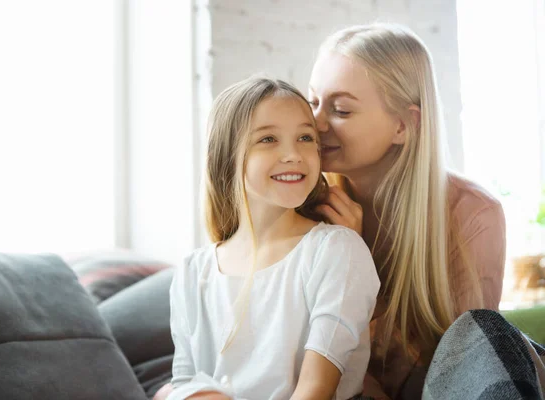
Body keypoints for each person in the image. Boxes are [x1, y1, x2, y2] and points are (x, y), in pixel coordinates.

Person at [308, 23, 507, 399]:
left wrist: (354, 263)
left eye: (341, 110)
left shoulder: (474, 216)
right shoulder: (308, 200)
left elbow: (456, 378)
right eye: (313, 101)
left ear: (404, 125)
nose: (317, 124)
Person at [162, 76, 380, 400]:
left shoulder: (337, 251)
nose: (293, 154)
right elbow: (183, 382)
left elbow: (316, 389)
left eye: (306, 137)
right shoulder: (193, 271)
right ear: (226, 155)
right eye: (268, 140)